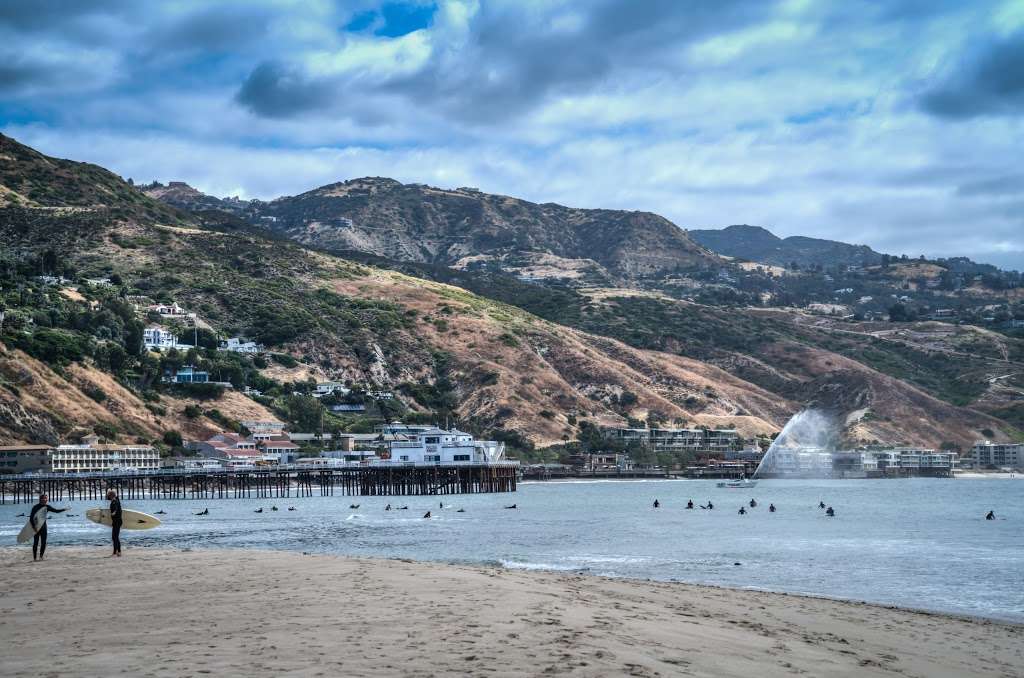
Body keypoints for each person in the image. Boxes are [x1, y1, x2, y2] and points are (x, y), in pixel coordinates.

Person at [29, 493, 67, 561]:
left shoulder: (47, 507)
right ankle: (34, 558)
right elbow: (31, 518)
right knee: (36, 543)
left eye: (46, 498)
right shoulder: (35, 507)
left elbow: (56, 511)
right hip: (36, 527)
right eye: (44, 498)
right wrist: (34, 527)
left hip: (44, 527)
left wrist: (64, 509)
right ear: (40, 499)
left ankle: (41, 557)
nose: (45, 500)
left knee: (44, 543)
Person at [107, 490, 123, 557]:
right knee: (115, 537)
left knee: (114, 537)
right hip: (117, 521)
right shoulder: (116, 500)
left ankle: (115, 552)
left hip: (117, 521)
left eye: (108, 495)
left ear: (111, 496)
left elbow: (116, 507)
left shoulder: (115, 501)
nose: (107, 497)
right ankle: (119, 552)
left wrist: (114, 512)